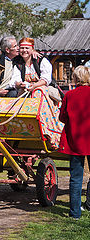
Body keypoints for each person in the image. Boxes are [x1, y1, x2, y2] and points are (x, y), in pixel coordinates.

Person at [58, 65, 90, 219]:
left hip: (76, 140)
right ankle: (88, 204)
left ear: (76, 78)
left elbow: (62, 117)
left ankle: (75, 213)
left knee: (76, 178)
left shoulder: (69, 95)